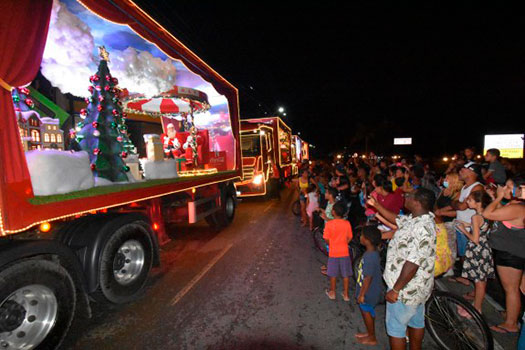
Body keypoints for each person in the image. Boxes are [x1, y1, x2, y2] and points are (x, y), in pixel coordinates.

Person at [367, 188, 437, 350]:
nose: (405, 197)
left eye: (409, 196)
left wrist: (396, 289)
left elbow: (412, 263)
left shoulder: (423, 228)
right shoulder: (417, 218)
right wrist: (376, 205)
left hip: (406, 289)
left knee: (396, 329)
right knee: (416, 322)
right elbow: (397, 219)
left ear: (417, 202)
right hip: (416, 288)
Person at [484, 177, 525, 334]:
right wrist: (496, 198)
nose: (504, 189)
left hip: (510, 254)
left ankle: (511, 323)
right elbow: (500, 213)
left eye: (508, 187)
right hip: (508, 252)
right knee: (514, 288)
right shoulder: (514, 205)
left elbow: (488, 213)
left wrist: (499, 197)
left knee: (511, 289)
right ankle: (511, 312)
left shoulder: (518, 208)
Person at [455, 191, 495, 314]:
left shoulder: (476, 217)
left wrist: (464, 230)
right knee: (481, 282)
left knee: (479, 283)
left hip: (477, 251)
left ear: (478, 203)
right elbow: (481, 227)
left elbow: (475, 239)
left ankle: (477, 309)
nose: (467, 202)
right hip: (485, 250)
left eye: (470, 200)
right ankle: (477, 306)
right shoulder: (485, 214)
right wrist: (468, 224)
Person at [447, 162, 484, 286]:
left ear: (472, 172)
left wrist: (457, 203)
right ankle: (467, 278)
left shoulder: (477, 187)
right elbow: (454, 202)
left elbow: (462, 206)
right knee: (463, 255)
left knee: (471, 258)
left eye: (464, 169)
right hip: (461, 226)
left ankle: (475, 285)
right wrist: (456, 203)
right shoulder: (465, 187)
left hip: (470, 227)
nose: (460, 171)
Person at [355, 225, 383, 346]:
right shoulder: (372, 252)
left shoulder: (369, 256)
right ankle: (369, 333)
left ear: (367, 240)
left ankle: (372, 338)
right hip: (371, 290)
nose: (360, 237)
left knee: (366, 312)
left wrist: (362, 294)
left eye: (362, 235)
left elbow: (368, 278)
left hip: (368, 292)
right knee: (368, 312)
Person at [323, 202, 353, 301]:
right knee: (345, 274)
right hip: (344, 251)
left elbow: (326, 238)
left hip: (333, 252)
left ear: (333, 212)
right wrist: (344, 243)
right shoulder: (347, 223)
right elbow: (350, 237)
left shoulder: (329, 224)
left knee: (333, 273)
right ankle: (346, 294)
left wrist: (331, 244)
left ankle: (332, 292)